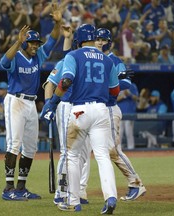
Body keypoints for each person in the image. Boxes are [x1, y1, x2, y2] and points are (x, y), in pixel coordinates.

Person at [41, 24, 119, 214]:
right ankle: (110, 197)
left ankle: (72, 200)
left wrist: (52, 102)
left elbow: (66, 80)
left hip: (79, 110)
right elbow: (115, 91)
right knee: (102, 156)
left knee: (72, 156)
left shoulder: (73, 56)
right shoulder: (108, 61)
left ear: (80, 39)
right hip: (101, 110)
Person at [0, 3, 62, 201]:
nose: (36, 46)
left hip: (31, 103)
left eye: (36, 43)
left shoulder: (38, 56)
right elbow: (3, 63)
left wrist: (58, 23)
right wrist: (18, 42)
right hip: (15, 100)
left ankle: (21, 187)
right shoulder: (17, 55)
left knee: (30, 147)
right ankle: (8, 189)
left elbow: (52, 41)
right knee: (14, 144)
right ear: (25, 43)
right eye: (32, 43)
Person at [94, 28, 146, 201]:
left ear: (110, 42)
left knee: (114, 150)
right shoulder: (94, 58)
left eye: (103, 39)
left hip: (109, 107)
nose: (100, 42)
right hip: (97, 109)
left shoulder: (114, 60)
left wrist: (113, 80)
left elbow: (126, 83)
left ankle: (136, 184)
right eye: (97, 39)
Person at [117, 83, 139, 150]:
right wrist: (123, 95)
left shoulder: (132, 86)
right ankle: (118, 149)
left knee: (128, 132)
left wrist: (129, 94)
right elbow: (114, 99)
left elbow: (136, 98)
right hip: (120, 112)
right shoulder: (117, 85)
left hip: (129, 112)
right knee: (119, 133)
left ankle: (131, 148)